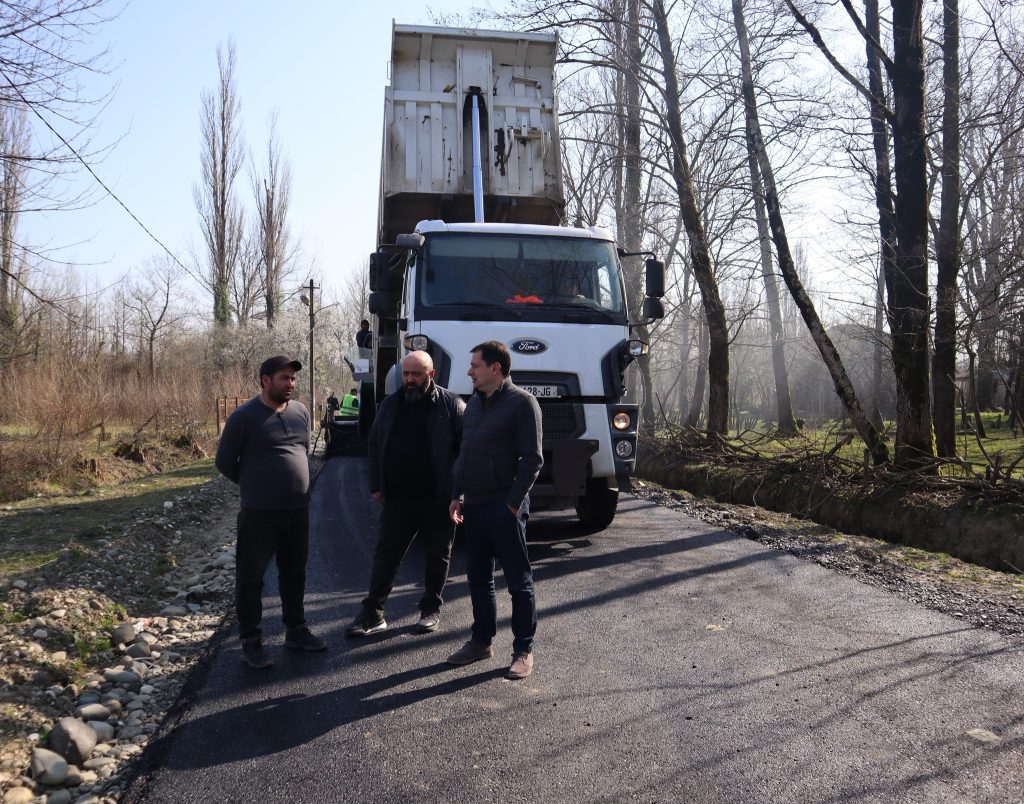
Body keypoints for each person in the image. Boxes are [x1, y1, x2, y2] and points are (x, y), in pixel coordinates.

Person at [215, 355, 327, 669]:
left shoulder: (300, 412)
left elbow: (302, 450)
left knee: (294, 574)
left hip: (297, 511)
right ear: (266, 380)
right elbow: (225, 462)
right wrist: (255, 486)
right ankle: (251, 643)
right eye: (284, 378)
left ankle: (296, 631)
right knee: (251, 579)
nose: (290, 383)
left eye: (292, 378)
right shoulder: (244, 417)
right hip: (259, 514)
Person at [348, 351, 465, 636]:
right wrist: (376, 485)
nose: (410, 379)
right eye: (406, 374)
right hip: (398, 497)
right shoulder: (390, 405)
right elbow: (374, 445)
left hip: (438, 498)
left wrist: (458, 494)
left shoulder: (451, 405)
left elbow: (466, 453)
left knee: (438, 555)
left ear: (431, 375)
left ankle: (430, 609)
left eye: (416, 374)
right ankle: (373, 613)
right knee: (386, 555)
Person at [447, 341, 543, 680]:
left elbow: (532, 459)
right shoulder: (473, 403)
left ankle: (523, 650)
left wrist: (513, 503)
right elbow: (465, 453)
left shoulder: (522, 403)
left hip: (504, 507)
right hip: (473, 504)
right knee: (478, 578)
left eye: (475, 365)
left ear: (495, 368)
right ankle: (481, 641)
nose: (469, 371)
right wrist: (457, 493)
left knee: (518, 582)